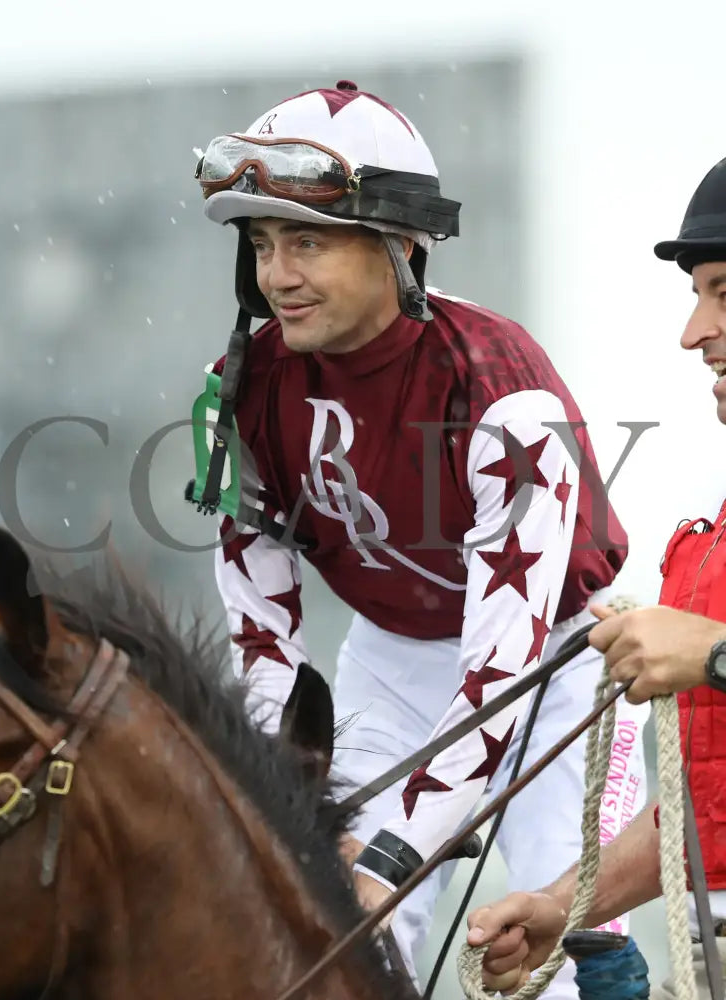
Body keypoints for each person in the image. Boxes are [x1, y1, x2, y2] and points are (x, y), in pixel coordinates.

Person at [191, 79, 648, 994]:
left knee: (550, 961)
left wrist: (391, 855)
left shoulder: (501, 389)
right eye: (263, 243)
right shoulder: (240, 385)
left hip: (554, 665)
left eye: (307, 241)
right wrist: (297, 789)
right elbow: (259, 634)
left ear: (401, 245)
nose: (278, 273)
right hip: (390, 664)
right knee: (327, 938)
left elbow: (498, 675)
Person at [465, 155, 726, 999]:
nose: (692, 332)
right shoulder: (709, 539)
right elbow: (708, 815)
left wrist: (717, 655)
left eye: (722, 290)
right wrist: (564, 903)